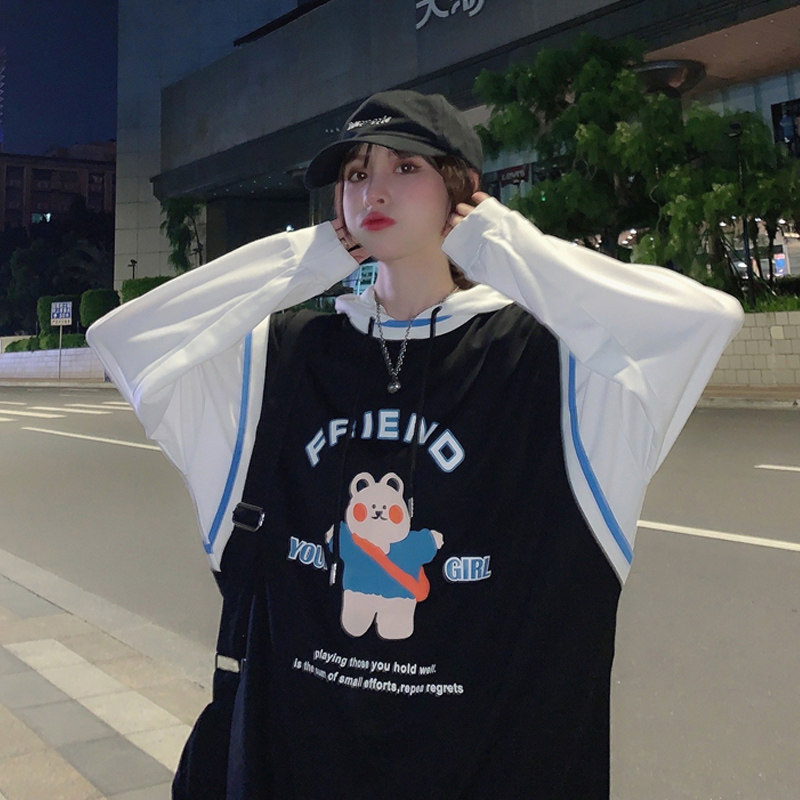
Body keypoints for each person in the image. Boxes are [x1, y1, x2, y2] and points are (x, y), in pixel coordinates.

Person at [87, 90, 743, 799]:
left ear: (462, 191)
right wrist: (311, 258)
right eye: (355, 174)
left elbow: (702, 322)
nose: (373, 191)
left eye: (405, 167)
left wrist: (499, 245)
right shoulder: (283, 358)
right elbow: (125, 340)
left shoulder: (553, 365)